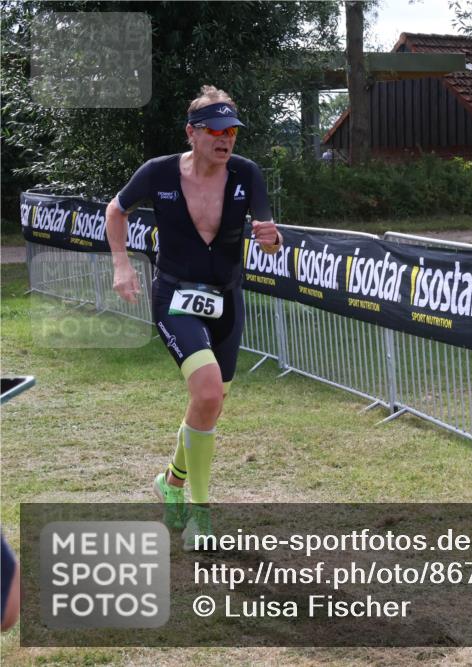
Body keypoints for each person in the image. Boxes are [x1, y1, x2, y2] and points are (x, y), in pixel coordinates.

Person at [107, 86, 281, 551]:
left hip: (226, 298)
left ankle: (170, 481)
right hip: (175, 296)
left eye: (232, 132)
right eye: (216, 131)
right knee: (204, 391)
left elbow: (268, 235)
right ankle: (199, 518)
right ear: (193, 133)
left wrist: (270, 240)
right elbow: (116, 210)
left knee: (212, 401)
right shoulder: (159, 172)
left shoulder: (247, 174)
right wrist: (122, 265)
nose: (226, 140)